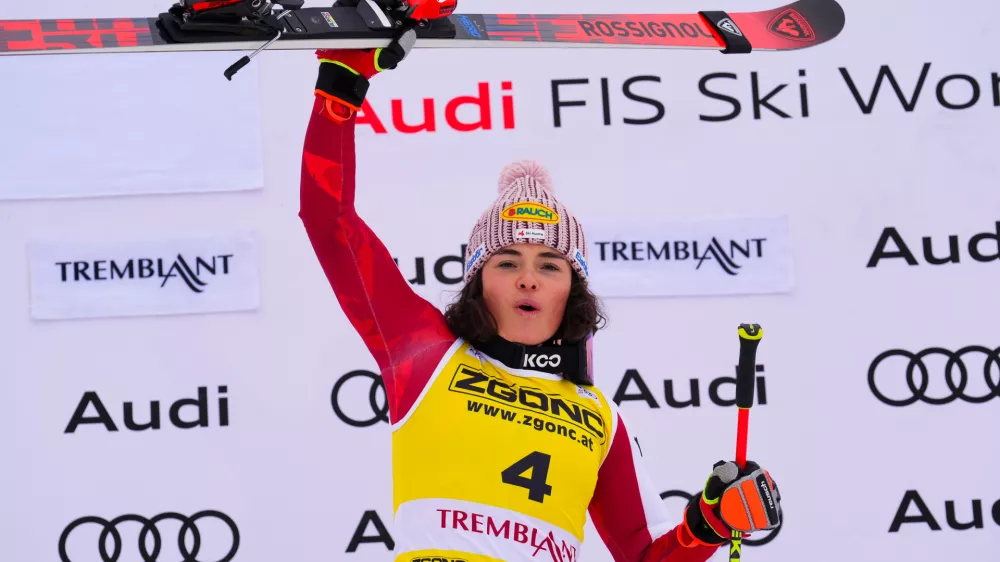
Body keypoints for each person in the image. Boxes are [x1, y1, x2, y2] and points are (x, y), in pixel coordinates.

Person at [298, 27, 782, 562]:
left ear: (572, 289)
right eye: (507, 262)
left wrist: (709, 525)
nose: (528, 278)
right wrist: (340, 89)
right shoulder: (424, 352)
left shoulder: (600, 416)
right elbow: (330, 221)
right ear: (480, 280)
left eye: (549, 264)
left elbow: (647, 555)